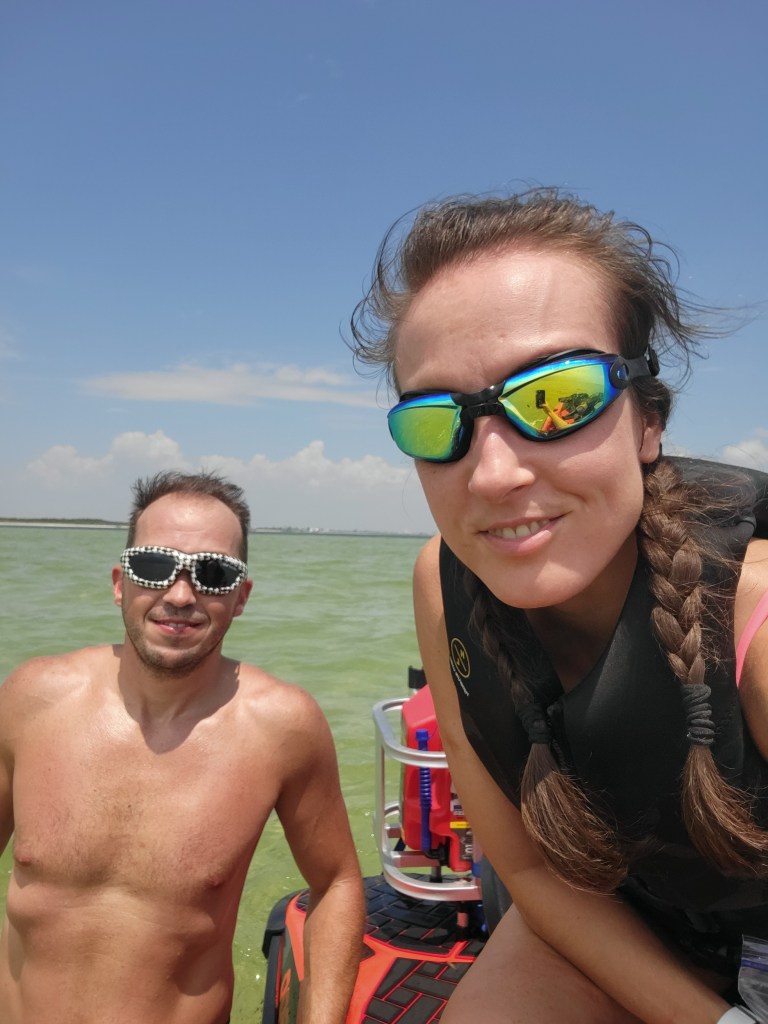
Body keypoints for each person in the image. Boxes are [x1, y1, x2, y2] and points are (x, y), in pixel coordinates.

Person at [350, 189, 768, 1024]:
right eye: (438, 422)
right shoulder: (442, 583)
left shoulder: (752, 613)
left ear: (648, 422)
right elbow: (532, 873)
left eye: (557, 398)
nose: (493, 473)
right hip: (626, 916)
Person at [0, 471, 364, 1024]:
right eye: (154, 565)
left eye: (214, 574)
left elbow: (336, 882)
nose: (180, 595)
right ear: (121, 582)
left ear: (240, 597)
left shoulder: (280, 727)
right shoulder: (32, 700)